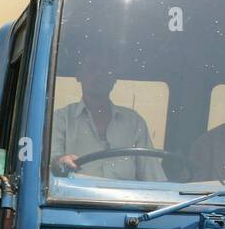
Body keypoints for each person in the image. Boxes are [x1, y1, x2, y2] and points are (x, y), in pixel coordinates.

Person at [50, 54, 166, 182]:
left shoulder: (134, 122)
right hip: (69, 199)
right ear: (79, 75)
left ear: (115, 78)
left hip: (127, 200)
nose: (100, 74)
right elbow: (49, 167)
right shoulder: (61, 119)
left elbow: (153, 177)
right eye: (93, 68)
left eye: (107, 70)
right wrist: (60, 162)